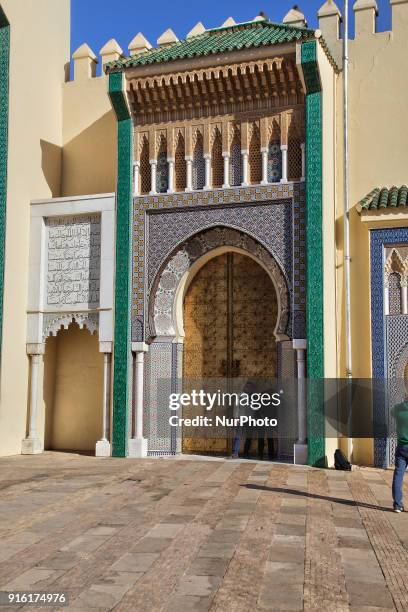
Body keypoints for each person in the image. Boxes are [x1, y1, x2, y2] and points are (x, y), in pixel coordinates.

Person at [391, 398, 408, 512]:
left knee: (398, 475)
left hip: (402, 447)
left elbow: (392, 413)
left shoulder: (397, 408)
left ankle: (397, 505)